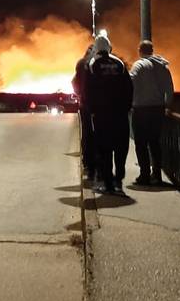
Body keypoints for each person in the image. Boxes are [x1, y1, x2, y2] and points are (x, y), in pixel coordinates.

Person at [85, 35, 133, 195]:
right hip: (120, 114)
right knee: (121, 149)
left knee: (104, 150)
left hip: (102, 115)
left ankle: (108, 184)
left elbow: (88, 90)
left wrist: (91, 110)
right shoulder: (119, 64)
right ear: (109, 47)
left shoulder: (93, 64)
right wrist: (126, 107)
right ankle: (119, 180)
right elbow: (129, 88)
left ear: (96, 48)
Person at [129, 40, 174, 185]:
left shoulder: (139, 65)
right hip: (158, 109)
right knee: (155, 143)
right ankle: (157, 175)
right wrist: (167, 106)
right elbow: (169, 89)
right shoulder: (163, 66)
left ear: (140, 50)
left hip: (141, 109)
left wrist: (130, 99)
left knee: (141, 143)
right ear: (152, 50)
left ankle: (144, 175)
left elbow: (131, 81)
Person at [71, 44, 97, 181]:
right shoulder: (100, 61)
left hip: (85, 104)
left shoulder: (82, 63)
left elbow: (74, 82)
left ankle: (88, 163)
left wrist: (80, 95)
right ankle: (99, 164)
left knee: (87, 134)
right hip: (101, 106)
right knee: (100, 134)